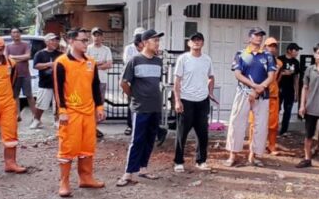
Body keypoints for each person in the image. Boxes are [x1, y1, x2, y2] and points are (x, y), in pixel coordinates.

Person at [53, 28, 107, 196]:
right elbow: (58, 89)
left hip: (88, 111)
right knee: (68, 147)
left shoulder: (91, 62)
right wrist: (61, 110)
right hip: (71, 112)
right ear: (71, 41)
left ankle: (86, 178)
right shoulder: (61, 62)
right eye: (82, 40)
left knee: (87, 146)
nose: (86, 43)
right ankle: (64, 182)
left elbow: (95, 87)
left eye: (86, 40)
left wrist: (99, 107)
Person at [118, 29, 165, 186]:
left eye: (158, 41)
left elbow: (156, 83)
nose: (157, 43)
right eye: (155, 41)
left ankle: (143, 168)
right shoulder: (135, 60)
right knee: (137, 140)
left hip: (155, 106)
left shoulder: (158, 61)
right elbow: (124, 83)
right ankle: (128, 172)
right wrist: (133, 96)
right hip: (140, 107)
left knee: (150, 139)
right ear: (145, 43)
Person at [225, 27, 277, 167]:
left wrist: (260, 88)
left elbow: (271, 76)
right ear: (250, 37)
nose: (259, 38)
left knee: (260, 126)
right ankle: (232, 155)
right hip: (243, 92)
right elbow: (238, 74)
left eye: (261, 35)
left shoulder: (267, 56)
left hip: (263, 94)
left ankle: (255, 155)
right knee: (237, 123)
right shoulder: (241, 54)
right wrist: (254, 87)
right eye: (256, 35)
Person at [0, 36, 29, 174]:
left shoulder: (11, 63)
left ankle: (10, 163)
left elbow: (13, 81)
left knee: (10, 134)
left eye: (0, 49)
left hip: (8, 103)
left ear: (4, 49)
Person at [173, 32, 215, 172]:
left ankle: (201, 160)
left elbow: (211, 77)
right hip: (186, 100)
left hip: (202, 101)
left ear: (203, 43)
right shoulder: (183, 59)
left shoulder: (207, 59)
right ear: (189, 43)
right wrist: (177, 100)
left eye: (199, 40)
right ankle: (179, 161)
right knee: (182, 133)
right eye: (194, 40)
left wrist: (210, 92)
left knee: (203, 133)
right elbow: (177, 81)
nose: (196, 42)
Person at [31, 33, 62, 129]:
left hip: (58, 83)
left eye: (56, 40)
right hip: (44, 83)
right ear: (46, 42)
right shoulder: (40, 53)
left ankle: (57, 121)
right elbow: (35, 66)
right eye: (52, 40)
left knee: (58, 103)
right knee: (40, 103)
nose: (55, 42)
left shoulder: (60, 54)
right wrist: (49, 64)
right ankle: (36, 120)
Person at [87, 27, 114, 138]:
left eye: (99, 35)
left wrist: (94, 65)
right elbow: (86, 64)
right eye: (95, 35)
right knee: (88, 104)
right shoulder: (88, 48)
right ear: (91, 36)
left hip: (101, 80)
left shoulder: (106, 49)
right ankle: (90, 128)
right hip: (89, 80)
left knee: (99, 105)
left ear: (102, 37)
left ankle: (93, 128)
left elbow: (109, 64)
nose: (97, 37)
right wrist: (99, 63)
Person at [5, 27, 35, 125]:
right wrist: (20, 58)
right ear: (11, 34)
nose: (15, 34)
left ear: (20, 34)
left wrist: (13, 57)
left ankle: (35, 116)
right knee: (15, 96)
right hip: (14, 75)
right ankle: (17, 115)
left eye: (17, 32)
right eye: (13, 32)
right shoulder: (8, 46)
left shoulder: (26, 45)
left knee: (29, 95)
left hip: (25, 74)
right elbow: (6, 59)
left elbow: (28, 56)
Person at [121, 28, 145, 135]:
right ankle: (130, 126)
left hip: (144, 80)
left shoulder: (147, 48)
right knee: (131, 102)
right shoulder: (129, 48)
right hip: (132, 79)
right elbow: (128, 62)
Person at [278, 43, 302, 135]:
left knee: (288, 111)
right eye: (296, 50)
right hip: (279, 88)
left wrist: (296, 92)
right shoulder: (280, 59)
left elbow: (296, 78)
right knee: (276, 109)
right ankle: (273, 128)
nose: (297, 53)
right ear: (289, 50)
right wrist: (283, 73)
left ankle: (284, 130)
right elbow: (273, 74)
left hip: (290, 89)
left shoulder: (296, 62)